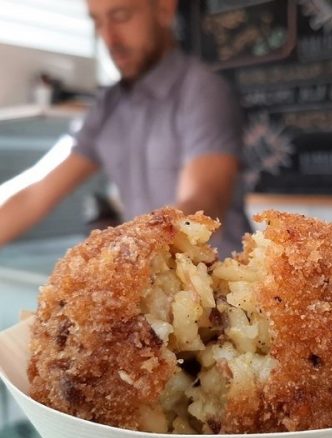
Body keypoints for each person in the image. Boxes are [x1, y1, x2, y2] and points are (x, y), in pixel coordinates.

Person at [0, 0, 251, 256]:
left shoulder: (203, 91)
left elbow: (203, 204)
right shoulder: (106, 107)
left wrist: (127, 252)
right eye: (97, 22)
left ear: (164, 9)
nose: (109, 38)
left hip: (221, 284)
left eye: (121, 16)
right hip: (151, 275)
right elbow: (34, 193)